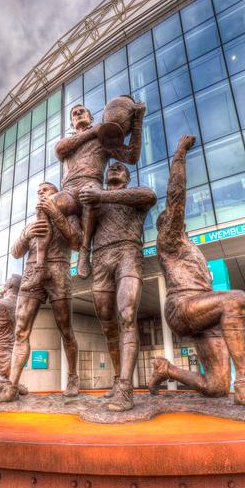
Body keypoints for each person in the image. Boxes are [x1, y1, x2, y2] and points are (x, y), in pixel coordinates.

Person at [148, 134, 245, 411]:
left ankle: (166, 370)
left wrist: (242, 308)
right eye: (170, 219)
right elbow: (176, 198)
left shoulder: (189, 246)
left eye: (176, 220)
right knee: (235, 298)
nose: (175, 220)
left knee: (216, 387)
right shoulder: (169, 240)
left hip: (204, 314)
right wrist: (179, 154)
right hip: (182, 307)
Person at [20, 98, 145, 290]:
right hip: (69, 190)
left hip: (91, 184)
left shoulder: (103, 139)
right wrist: (93, 132)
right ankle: (40, 266)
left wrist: (137, 123)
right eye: (74, 113)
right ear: (72, 122)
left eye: (82, 111)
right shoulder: (69, 142)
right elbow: (60, 150)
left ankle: (85, 252)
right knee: (44, 205)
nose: (78, 114)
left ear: (91, 117)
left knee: (90, 194)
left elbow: (131, 156)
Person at [0, 181, 82, 402]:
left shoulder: (70, 217)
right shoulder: (32, 223)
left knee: (65, 328)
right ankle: (11, 386)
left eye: (46, 190)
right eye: (39, 191)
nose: (41, 193)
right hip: (32, 271)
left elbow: (76, 242)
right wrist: (25, 235)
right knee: (21, 330)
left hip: (58, 270)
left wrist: (56, 215)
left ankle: (72, 377)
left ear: (56, 195)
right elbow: (15, 252)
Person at [79, 162, 156, 411]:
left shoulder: (134, 196)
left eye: (120, 169)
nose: (114, 169)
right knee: (107, 323)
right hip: (101, 257)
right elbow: (87, 228)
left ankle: (125, 388)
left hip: (127, 253)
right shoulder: (97, 201)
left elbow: (150, 195)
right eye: (110, 169)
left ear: (127, 176)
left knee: (127, 315)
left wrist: (101, 194)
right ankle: (116, 378)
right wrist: (83, 256)